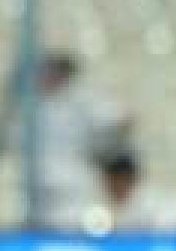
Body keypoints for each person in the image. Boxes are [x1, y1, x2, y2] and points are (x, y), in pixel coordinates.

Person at [31, 51, 130, 231]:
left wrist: (100, 147)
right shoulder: (34, 104)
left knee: (78, 228)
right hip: (43, 187)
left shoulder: (81, 98)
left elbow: (121, 119)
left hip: (76, 184)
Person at [98, 151, 176, 232]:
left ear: (132, 180)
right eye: (114, 184)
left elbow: (171, 229)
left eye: (122, 182)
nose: (119, 187)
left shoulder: (152, 202)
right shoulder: (103, 202)